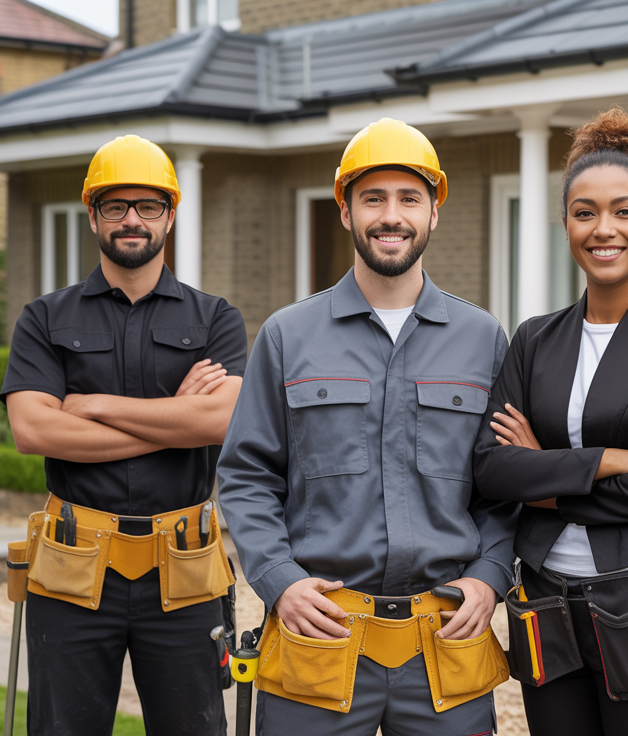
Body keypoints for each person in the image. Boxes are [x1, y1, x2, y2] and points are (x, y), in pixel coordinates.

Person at [216, 118, 516, 736]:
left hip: (445, 636)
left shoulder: (483, 339)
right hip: (318, 633)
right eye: (373, 198)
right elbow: (246, 476)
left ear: (434, 212)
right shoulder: (287, 336)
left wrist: (490, 579)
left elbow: (504, 485)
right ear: (345, 211)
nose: (391, 216)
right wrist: (279, 583)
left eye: (409, 198)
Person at [472, 108, 628, 736]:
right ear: (566, 224)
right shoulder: (534, 340)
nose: (603, 229)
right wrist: (611, 459)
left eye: (624, 211)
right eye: (584, 213)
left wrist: (547, 479)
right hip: (546, 603)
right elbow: (492, 469)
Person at [2, 134, 246, 735]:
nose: (132, 219)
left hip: (184, 567)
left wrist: (93, 406)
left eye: (149, 206)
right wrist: (177, 419)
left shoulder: (215, 318)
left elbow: (220, 421)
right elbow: (33, 428)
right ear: (93, 216)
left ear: (169, 216)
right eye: (115, 206)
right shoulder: (45, 318)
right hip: (72, 565)